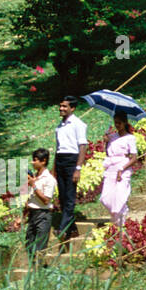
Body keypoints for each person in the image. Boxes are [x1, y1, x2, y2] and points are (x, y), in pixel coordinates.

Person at [54, 95, 88, 239]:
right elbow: (58, 147)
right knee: (62, 196)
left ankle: (62, 229)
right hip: (60, 160)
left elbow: (83, 146)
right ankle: (72, 229)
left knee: (69, 196)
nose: (61, 108)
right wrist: (54, 168)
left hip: (71, 161)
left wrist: (78, 168)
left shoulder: (78, 124)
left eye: (65, 106)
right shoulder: (60, 126)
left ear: (72, 108)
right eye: (61, 105)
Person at [99, 113, 141, 227]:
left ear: (125, 123)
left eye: (119, 123)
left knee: (120, 196)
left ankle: (120, 222)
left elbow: (134, 158)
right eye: (115, 122)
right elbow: (108, 153)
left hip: (123, 167)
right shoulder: (112, 137)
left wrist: (122, 169)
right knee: (106, 198)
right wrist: (106, 141)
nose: (117, 125)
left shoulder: (130, 138)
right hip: (111, 167)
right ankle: (117, 218)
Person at [22, 148, 56, 265]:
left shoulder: (49, 179)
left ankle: (40, 270)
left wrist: (34, 186)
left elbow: (46, 200)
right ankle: (32, 268)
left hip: (43, 214)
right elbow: (30, 199)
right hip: (32, 214)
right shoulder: (34, 177)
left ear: (43, 161)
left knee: (40, 245)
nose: (33, 162)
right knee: (29, 242)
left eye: (35, 160)